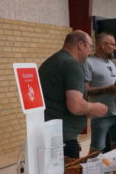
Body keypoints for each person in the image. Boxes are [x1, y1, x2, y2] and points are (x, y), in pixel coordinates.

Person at [38, 30, 108, 159]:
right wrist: (94, 107)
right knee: (67, 172)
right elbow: (75, 106)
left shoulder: (51, 62)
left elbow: (56, 97)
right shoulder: (72, 65)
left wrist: (86, 110)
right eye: (90, 47)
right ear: (81, 45)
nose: (90, 52)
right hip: (63, 139)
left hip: (49, 134)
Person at [83, 32, 116, 153]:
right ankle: (89, 166)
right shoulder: (88, 62)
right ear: (102, 45)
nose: (115, 48)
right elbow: (85, 90)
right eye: (112, 44)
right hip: (101, 116)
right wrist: (106, 89)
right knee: (96, 150)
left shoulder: (112, 64)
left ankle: (113, 167)